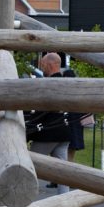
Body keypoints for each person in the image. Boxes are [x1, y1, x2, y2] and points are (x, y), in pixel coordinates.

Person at [25, 52, 74, 189]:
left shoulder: (48, 84)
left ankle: (24, 195)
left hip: (48, 133)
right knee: (62, 172)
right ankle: (64, 203)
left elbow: (42, 110)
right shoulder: (66, 83)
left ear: (50, 65)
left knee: (29, 164)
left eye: (43, 65)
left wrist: (28, 129)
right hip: (63, 130)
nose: (42, 68)